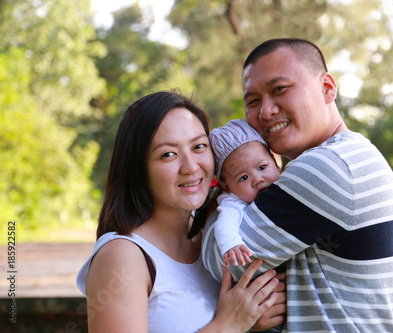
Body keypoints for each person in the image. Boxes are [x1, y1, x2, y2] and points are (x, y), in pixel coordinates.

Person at [202, 38, 393, 332]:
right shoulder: (350, 154)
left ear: (327, 88)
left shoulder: (326, 167)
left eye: (279, 90)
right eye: (252, 101)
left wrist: (224, 199)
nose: (265, 111)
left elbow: (222, 262)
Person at [76, 91, 284, 333]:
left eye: (199, 146)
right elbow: (228, 324)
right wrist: (228, 325)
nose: (191, 167)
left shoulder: (217, 230)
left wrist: (252, 320)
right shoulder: (123, 255)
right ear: (138, 168)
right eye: (168, 154)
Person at [208, 118, 281, 267]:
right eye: (244, 177)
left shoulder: (288, 182)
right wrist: (231, 244)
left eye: (262, 167)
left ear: (274, 162)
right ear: (226, 186)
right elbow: (225, 223)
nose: (257, 179)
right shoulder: (234, 202)